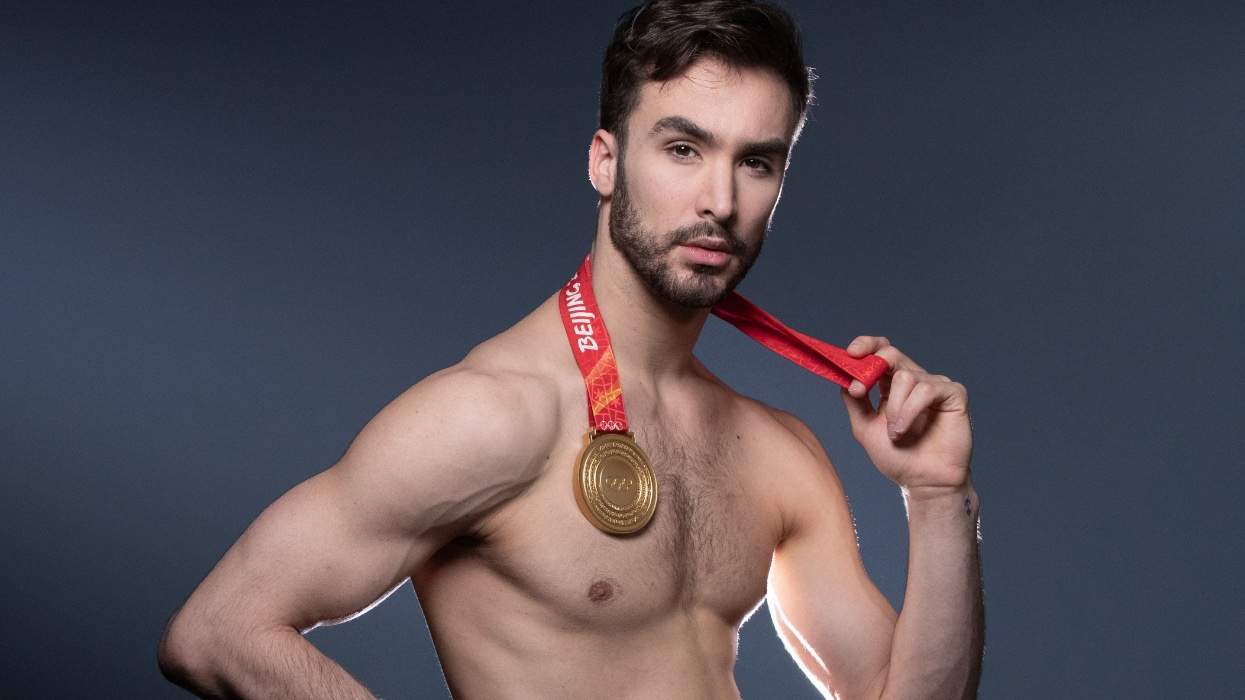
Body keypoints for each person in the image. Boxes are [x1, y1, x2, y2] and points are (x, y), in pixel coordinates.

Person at [157, 1, 984, 697]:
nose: (720, 200)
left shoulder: (778, 453)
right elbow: (219, 630)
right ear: (605, 160)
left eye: (757, 162)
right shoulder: (490, 415)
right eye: (683, 149)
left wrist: (940, 497)